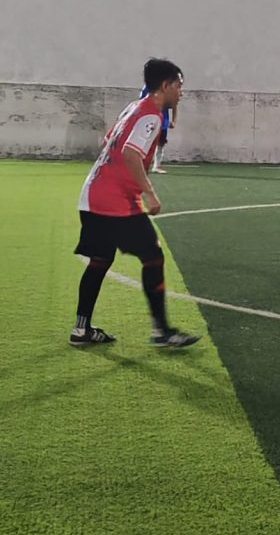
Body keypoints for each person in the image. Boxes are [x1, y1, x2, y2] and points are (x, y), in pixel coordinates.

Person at [70, 58, 200, 349]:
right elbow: (130, 153)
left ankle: (81, 330)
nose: (181, 92)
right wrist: (149, 193)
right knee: (153, 257)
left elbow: (107, 143)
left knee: (100, 261)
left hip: (91, 196)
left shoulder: (133, 107)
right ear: (165, 86)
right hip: (115, 204)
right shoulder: (152, 115)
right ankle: (162, 332)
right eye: (179, 86)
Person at [139, 80, 177, 173]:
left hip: (163, 121)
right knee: (146, 142)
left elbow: (174, 104)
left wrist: (174, 120)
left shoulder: (168, 87)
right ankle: (141, 164)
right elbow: (141, 102)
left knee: (161, 143)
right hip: (150, 120)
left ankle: (157, 166)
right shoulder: (148, 87)